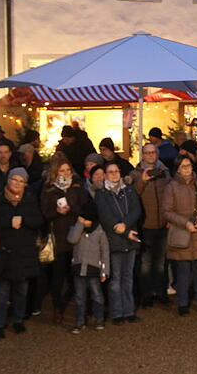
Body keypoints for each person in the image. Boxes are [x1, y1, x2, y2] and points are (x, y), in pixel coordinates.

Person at [0, 167, 43, 338]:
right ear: (8, 180)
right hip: (4, 252)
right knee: (1, 293)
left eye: (21, 181)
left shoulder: (30, 199)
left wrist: (24, 220)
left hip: (24, 252)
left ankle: (18, 320)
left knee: (21, 291)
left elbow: (39, 220)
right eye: (14, 180)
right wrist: (8, 222)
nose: (17, 184)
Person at [40, 154, 87, 324]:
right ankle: (57, 307)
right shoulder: (49, 189)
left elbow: (84, 206)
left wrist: (72, 208)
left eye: (68, 170)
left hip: (76, 235)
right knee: (58, 275)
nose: (66, 173)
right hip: (58, 237)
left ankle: (78, 305)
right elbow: (44, 213)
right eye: (62, 170)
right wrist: (56, 212)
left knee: (76, 274)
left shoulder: (77, 186)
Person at [162, 155, 197, 316]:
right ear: (178, 169)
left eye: (189, 165)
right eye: (184, 166)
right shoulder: (172, 187)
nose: (187, 169)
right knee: (182, 271)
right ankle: (183, 303)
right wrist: (184, 222)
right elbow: (166, 211)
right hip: (182, 232)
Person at [95, 162, 142, 325]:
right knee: (115, 279)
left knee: (128, 277)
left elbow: (136, 210)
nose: (114, 174)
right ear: (106, 174)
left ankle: (129, 310)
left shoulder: (129, 190)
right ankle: (117, 312)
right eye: (110, 172)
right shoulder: (101, 193)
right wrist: (119, 226)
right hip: (113, 239)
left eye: (116, 171)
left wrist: (126, 225)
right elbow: (104, 214)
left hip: (130, 237)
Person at [132, 143, 170, 307]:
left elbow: (170, 195)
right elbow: (132, 194)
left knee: (161, 261)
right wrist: (143, 181)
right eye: (147, 153)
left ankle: (160, 292)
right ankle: (146, 294)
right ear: (142, 155)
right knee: (146, 263)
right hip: (146, 224)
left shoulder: (165, 172)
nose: (150, 155)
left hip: (163, 223)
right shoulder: (135, 173)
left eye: (153, 152)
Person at [67, 199, 109, 333]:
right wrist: (80, 224)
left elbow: (105, 252)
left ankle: (99, 319)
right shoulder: (77, 227)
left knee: (97, 295)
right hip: (78, 267)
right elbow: (72, 239)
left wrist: (105, 271)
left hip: (93, 268)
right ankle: (79, 321)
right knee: (79, 296)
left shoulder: (100, 231)